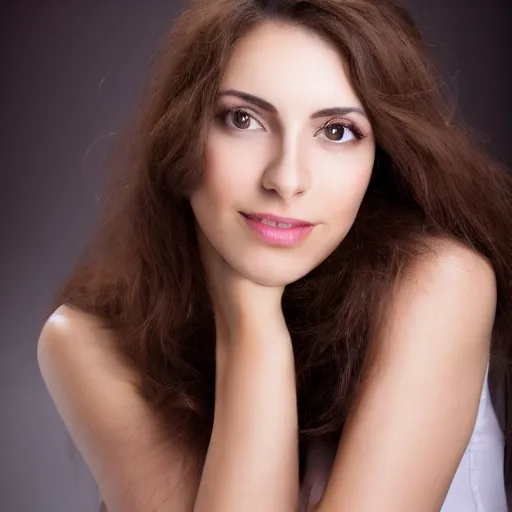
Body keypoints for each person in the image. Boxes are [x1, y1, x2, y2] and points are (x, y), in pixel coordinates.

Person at [36, 0, 512, 511]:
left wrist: (248, 303)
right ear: (184, 130)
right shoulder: (87, 339)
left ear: (382, 155)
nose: (286, 180)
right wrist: (249, 323)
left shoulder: (438, 281)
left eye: (336, 132)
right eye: (244, 119)